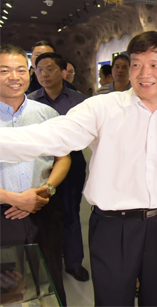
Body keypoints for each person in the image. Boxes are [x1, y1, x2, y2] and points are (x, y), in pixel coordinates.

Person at [0, 32, 157, 306]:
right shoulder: (103, 108)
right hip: (112, 226)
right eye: (137, 64)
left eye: (155, 65)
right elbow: (50, 136)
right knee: (112, 301)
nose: (144, 74)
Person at [0, 44, 71, 305]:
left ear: (29, 72)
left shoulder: (46, 114)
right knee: (8, 288)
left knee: (50, 279)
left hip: (43, 208)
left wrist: (46, 190)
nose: (14, 77)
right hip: (3, 213)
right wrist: (14, 198)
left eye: (21, 70)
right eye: (4, 70)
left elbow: (63, 158)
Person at [28, 52, 90, 282]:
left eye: (50, 69)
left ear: (63, 72)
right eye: (39, 70)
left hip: (72, 163)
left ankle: (73, 263)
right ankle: (45, 263)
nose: (44, 74)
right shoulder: (30, 101)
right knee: (41, 213)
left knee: (70, 211)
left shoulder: (80, 101)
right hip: (40, 164)